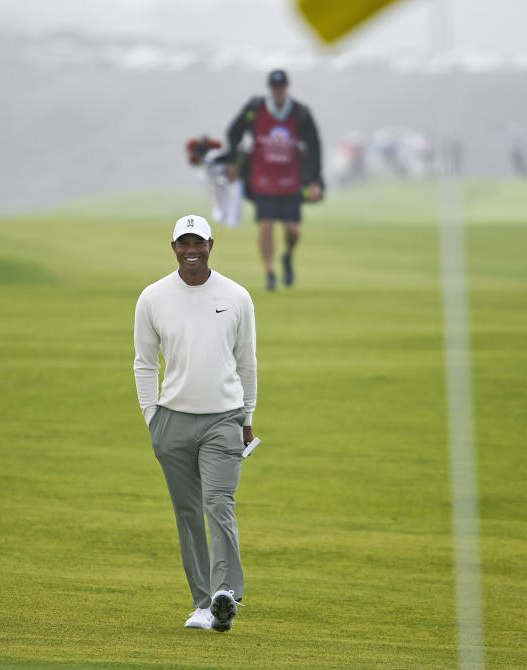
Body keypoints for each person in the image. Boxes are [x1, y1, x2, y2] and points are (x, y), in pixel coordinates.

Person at [133, 214, 257, 632]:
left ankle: (225, 592)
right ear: (173, 248)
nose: (191, 251)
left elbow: (246, 362)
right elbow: (144, 363)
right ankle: (204, 605)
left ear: (211, 245)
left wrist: (248, 415)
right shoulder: (152, 297)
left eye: (198, 243)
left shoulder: (236, 296)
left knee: (218, 504)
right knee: (188, 514)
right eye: (183, 243)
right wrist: (152, 417)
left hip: (224, 418)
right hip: (173, 420)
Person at [222, 69, 323, 291]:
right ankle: (270, 272)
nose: (278, 91)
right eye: (275, 88)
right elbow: (233, 133)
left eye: (281, 88)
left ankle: (287, 256)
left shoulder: (300, 113)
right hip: (262, 179)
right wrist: (232, 162)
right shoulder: (255, 109)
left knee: (293, 230)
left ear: (287, 88)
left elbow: (314, 146)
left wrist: (315, 181)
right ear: (270, 88)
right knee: (266, 225)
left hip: (291, 179)